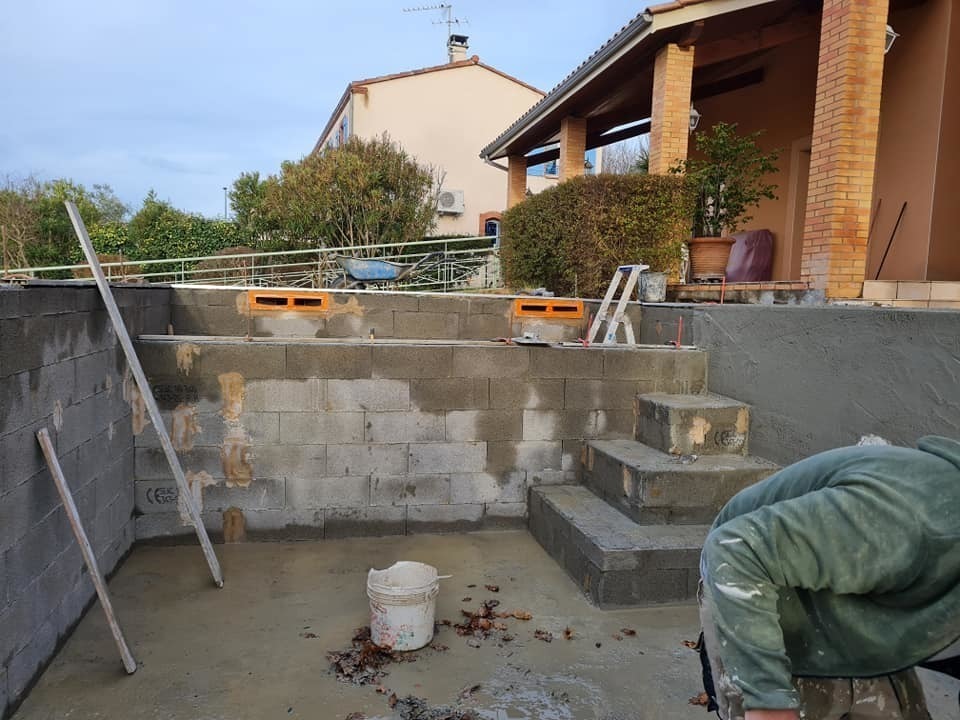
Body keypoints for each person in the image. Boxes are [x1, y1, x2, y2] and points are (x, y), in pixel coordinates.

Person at [698, 435, 960, 720]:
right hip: (768, 600)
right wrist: (769, 702)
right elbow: (735, 550)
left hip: (865, 609)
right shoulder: (902, 525)